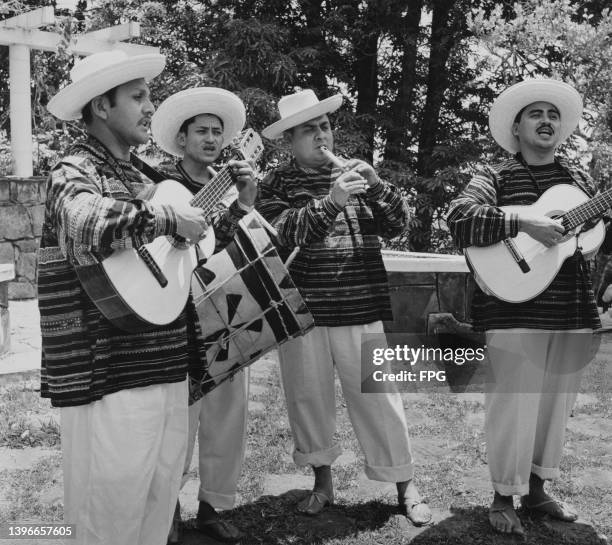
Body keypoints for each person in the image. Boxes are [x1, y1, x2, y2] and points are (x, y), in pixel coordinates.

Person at [39, 50, 210, 545]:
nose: (149, 107)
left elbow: (183, 242)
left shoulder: (148, 177)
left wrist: (198, 221)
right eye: (138, 97)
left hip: (163, 362)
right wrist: (168, 221)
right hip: (106, 373)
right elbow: (85, 222)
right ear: (101, 106)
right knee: (106, 515)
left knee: (156, 504)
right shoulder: (73, 170)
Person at [256, 89, 432, 525]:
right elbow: (282, 234)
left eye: (325, 126)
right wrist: (332, 200)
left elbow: (398, 225)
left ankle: (404, 484)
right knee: (307, 398)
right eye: (309, 130)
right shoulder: (276, 184)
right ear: (288, 141)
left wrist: (376, 184)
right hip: (303, 312)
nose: (321, 136)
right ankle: (322, 481)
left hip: (360, 304)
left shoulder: (358, 173)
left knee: (380, 400)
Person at [447, 79, 603, 535]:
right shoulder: (494, 176)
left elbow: (591, 239)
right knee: (513, 405)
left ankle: (537, 490)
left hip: (571, 309)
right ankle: (502, 494)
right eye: (536, 114)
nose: (547, 121)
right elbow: (459, 218)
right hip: (511, 310)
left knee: (555, 407)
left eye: (554, 115)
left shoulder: (580, 181)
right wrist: (523, 221)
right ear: (516, 127)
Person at [151, 87, 258, 544]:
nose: (211, 139)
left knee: (227, 414)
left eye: (218, 132)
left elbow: (234, 251)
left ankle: (214, 506)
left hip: (224, 312)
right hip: (175, 315)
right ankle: (165, 510)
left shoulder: (230, 184)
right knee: (178, 419)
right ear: (183, 137)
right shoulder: (159, 184)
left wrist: (246, 203)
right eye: (202, 131)